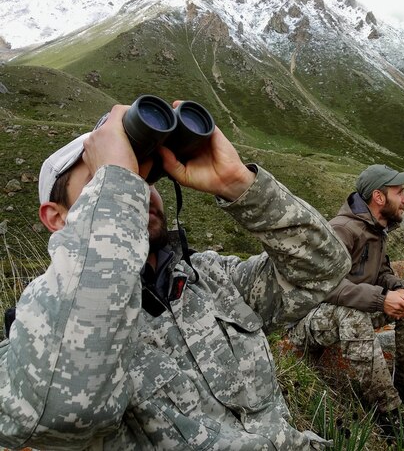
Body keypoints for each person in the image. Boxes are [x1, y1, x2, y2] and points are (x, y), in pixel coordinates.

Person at [0, 102, 351, 450]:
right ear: (56, 217)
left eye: (144, 176)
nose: (138, 189)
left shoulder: (212, 279)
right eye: (106, 178)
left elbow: (323, 269)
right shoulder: (40, 332)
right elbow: (62, 412)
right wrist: (117, 191)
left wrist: (239, 185)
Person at [288, 164, 404, 451]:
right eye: (400, 192)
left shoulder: (376, 228)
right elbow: (324, 286)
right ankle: (388, 414)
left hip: (348, 310)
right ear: (379, 197)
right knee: (353, 314)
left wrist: (396, 288)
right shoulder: (342, 230)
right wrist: (380, 299)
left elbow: (382, 271)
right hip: (308, 319)